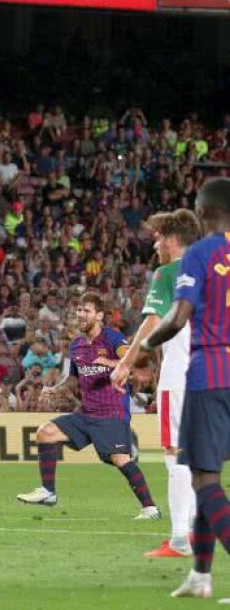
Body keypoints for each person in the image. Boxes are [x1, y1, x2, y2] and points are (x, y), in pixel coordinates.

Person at [139, 179, 230, 599]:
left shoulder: (200, 254)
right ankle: (200, 575)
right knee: (200, 476)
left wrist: (145, 346)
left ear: (205, 210)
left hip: (209, 374)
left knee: (206, 480)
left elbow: (177, 318)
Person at [16, 292, 159, 520]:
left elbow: (129, 364)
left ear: (99, 315)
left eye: (87, 311)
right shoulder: (76, 346)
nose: (81, 315)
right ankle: (48, 492)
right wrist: (57, 389)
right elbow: (73, 378)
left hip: (111, 412)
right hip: (86, 412)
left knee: (120, 459)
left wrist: (110, 362)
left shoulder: (113, 339)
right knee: (46, 433)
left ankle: (150, 508)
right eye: (79, 310)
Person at [112, 209, 201, 558]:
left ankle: (181, 538)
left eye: (159, 237)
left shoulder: (169, 273)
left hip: (180, 378)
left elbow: (151, 322)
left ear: (174, 240)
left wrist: (125, 363)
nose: (155, 244)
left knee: (174, 454)